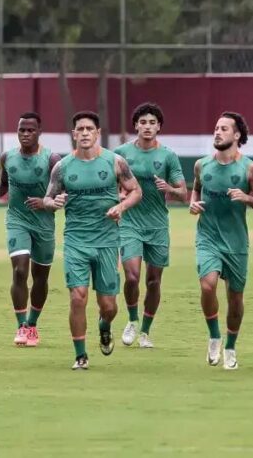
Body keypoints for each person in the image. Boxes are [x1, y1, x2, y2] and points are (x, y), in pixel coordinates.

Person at [42, 111, 142, 370]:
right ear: (74, 134)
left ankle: (104, 325)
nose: (84, 133)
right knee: (78, 296)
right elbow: (47, 199)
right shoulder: (62, 167)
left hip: (108, 241)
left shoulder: (115, 162)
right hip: (76, 241)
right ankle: (80, 355)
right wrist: (56, 202)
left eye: (89, 129)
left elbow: (135, 191)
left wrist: (122, 208)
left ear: (97, 133)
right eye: (80, 129)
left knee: (108, 306)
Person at [190, 112, 253, 371]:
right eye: (216, 128)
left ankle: (230, 346)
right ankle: (214, 336)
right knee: (207, 286)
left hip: (236, 243)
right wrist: (193, 202)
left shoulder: (249, 168)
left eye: (224, 128)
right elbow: (195, 188)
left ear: (237, 135)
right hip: (208, 237)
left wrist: (247, 198)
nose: (217, 132)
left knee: (235, 298)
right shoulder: (201, 165)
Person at [113, 102, 187, 348]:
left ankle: (145, 331)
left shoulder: (168, 156)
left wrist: (169, 189)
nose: (147, 126)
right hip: (130, 223)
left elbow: (183, 193)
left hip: (157, 225)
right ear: (135, 125)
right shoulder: (121, 153)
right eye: (143, 122)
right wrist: (119, 197)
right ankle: (132, 320)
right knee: (132, 276)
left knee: (153, 280)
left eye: (152, 122)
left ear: (159, 127)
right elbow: (111, 184)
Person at [0, 112, 60, 347]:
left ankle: (32, 323)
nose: (25, 134)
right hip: (17, 220)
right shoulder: (7, 157)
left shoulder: (52, 160)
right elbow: (5, 182)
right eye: (21, 130)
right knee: (20, 270)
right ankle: (21, 326)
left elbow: (62, 191)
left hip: (44, 224)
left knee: (40, 278)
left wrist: (45, 201)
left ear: (39, 132)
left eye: (30, 130)